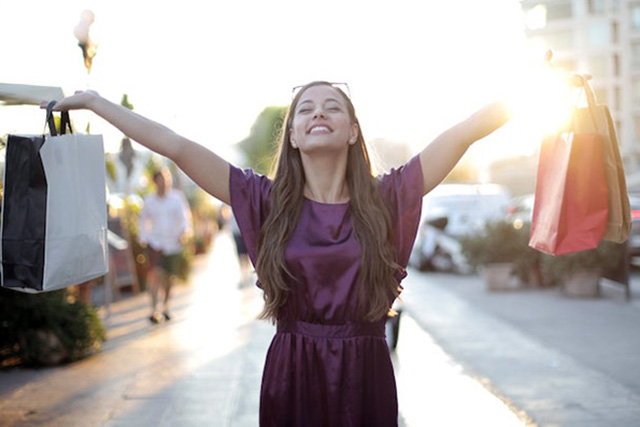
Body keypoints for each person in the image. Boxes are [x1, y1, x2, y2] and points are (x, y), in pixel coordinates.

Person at [49, 73, 583, 425]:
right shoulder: (263, 201)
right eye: (306, 109)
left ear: (353, 132)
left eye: (333, 107)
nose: (318, 113)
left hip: (367, 368)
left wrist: (539, 90)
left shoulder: (388, 196)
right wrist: (97, 103)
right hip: (293, 367)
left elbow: (464, 132)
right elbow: (179, 146)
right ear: (295, 136)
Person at [138, 167, 192, 324]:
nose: (163, 183)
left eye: (166, 180)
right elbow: (143, 221)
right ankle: (153, 310)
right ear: (155, 182)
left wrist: (183, 233)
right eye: (160, 180)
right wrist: (145, 238)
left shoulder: (177, 198)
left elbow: (184, 219)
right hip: (155, 244)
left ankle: (166, 307)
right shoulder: (149, 200)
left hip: (172, 244)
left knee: (168, 279)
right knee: (155, 276)